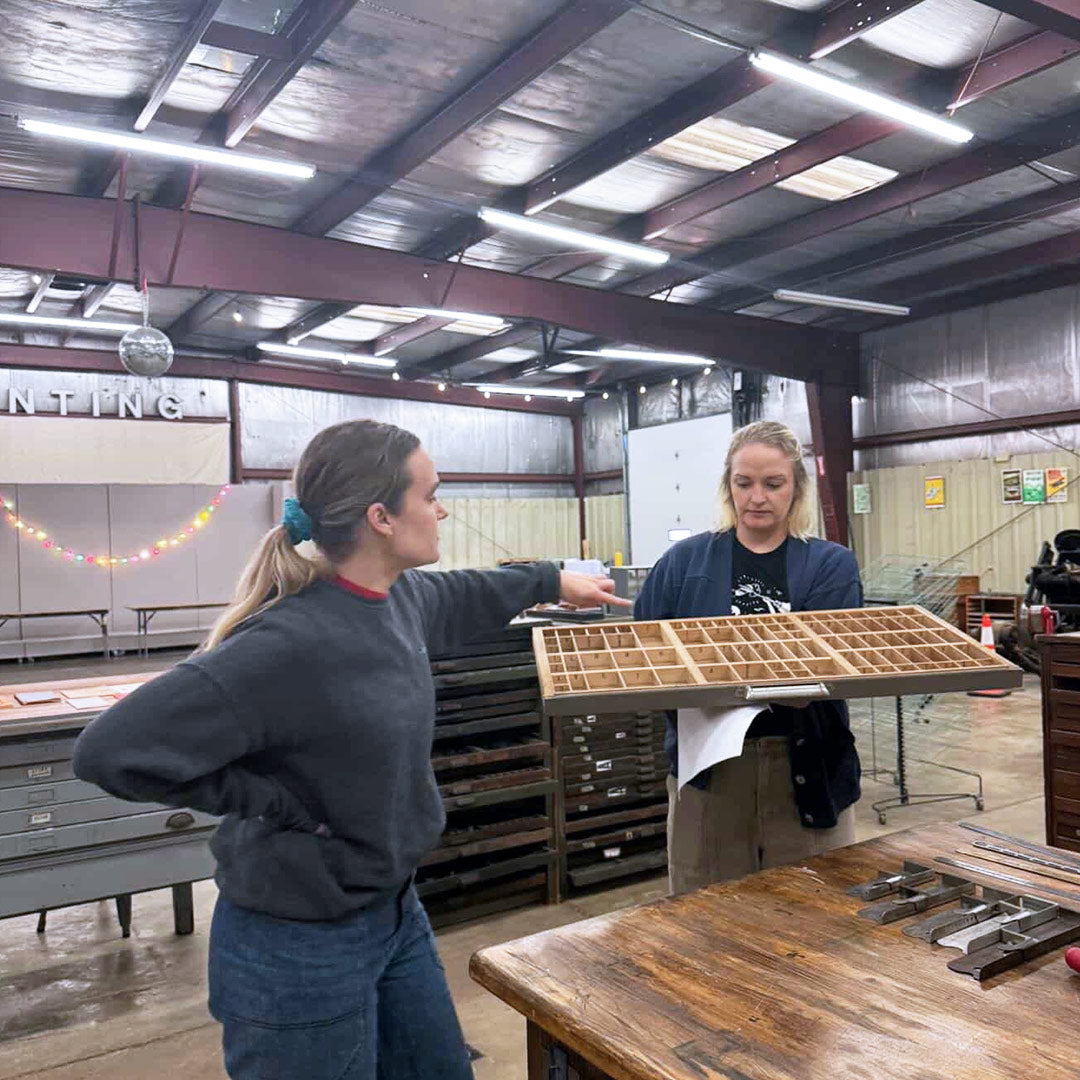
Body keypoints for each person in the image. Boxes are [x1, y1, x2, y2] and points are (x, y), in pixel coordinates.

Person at [73, 419, 628, 1080]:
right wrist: (273, 801)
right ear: (380, 518)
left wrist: (550, 580)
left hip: (392, 912)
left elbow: (466, 593)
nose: (442, 510)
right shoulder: (287, 644)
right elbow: (110, 750)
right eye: (430, 495)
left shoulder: (396, 600)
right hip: (296, 944)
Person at [634, 419, 862, 894]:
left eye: (773, 484)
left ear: (796, 488)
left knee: (813, 910)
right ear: (728, 486)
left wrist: (722, 675)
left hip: (807, 767)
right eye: (744, 483)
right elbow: (646, 656)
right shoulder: (682, 563)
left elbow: (825, 669)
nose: (757, 497)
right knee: (705, 911)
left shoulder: (830, 565)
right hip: (710, 771)